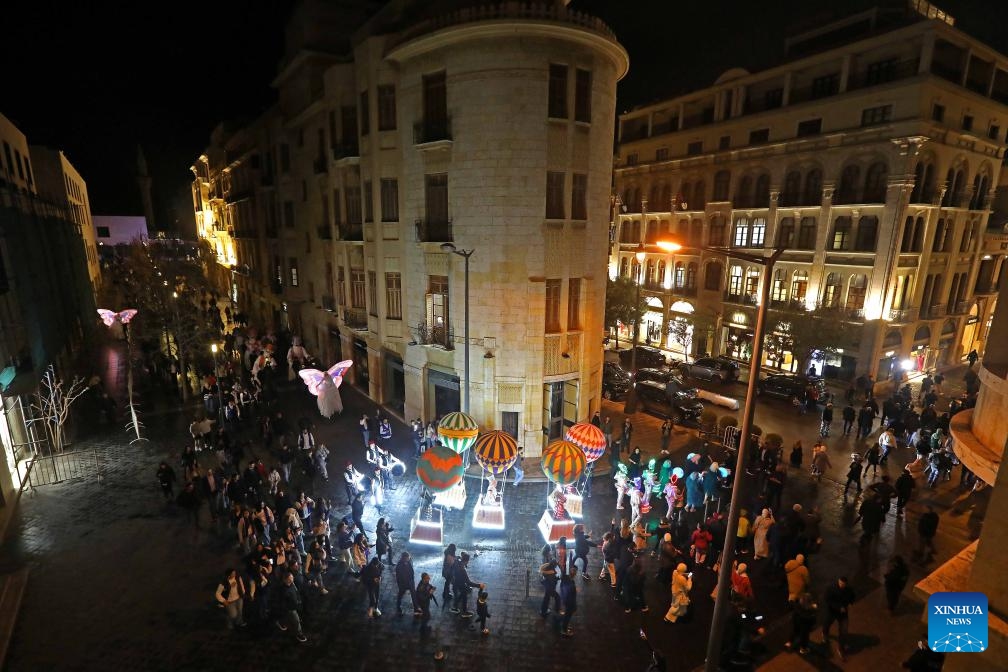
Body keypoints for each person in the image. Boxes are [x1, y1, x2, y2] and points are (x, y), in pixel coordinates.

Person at [822, 576, 855, 661]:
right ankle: (825, 633)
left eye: (843, 584)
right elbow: (827, 600)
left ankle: (841, 648)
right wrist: (839, 607)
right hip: (832, 612)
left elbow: (852, 596)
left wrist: (851, 602)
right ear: (838, 581)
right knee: (827, 623)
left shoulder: (849, 589)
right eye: (840, 583)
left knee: (844, 630)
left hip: (843, 613)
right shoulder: (831, 588)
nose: (841, 585)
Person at [276, 570, 308, 642]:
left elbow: (296, 592)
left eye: (292, 577)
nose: (292, 579)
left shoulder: (292, 584)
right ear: (285, 579)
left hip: (294, 606)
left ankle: (281, 622)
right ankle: (299, 634)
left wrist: (298, 600)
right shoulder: (283, 590)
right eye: (291, 578)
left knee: (288, 618)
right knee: (296, 621)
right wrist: (288, 608)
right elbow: (282, 602)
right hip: (290, 608)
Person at [451, 551, 482, 618]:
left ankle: (455, 607)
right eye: (468, 560)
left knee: (461, 595)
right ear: (466, 560)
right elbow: (468, 582)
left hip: (455, 582)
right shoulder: (462, 570)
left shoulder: (457, 561)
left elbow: (456, 559)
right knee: (464, 597)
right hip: (461, 584)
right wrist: (479, 585)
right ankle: (464, 612)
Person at [394, 552, 419, 616]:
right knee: (401, 594)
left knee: (414, 595)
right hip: (403, 584)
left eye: (409, 557)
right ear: (404, 558)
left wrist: (412, 579)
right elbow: (400, 577)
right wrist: (402, 584)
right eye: (408, 558)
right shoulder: (399, 566)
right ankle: (398, 606)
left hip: (410, 582)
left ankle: (416, 608)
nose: (409, 558)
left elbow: (411, 569)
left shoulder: (409, 561)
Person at [559, 567, 578, 637]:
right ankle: (564, 630)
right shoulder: (572, 585)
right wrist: (574, 606)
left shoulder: (565, 578)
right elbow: (571, 597)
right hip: (569, 604)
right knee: (567, 616)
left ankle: (565, 626)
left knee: (566, 616)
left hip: (565, 600)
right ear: (575, 574)